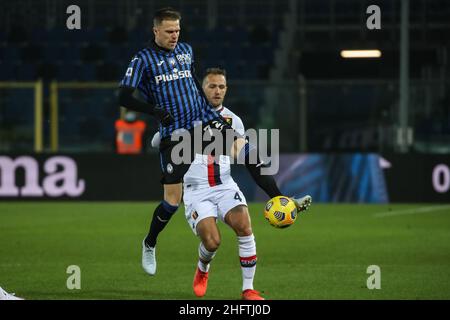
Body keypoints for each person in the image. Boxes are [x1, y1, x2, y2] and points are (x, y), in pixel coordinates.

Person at [118, 8, 310, 277]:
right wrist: (154, 112)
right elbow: (123, 97)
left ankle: (282, 199)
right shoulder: (142, 59)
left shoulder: (185, 50)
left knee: (248, 152)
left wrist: (208, 113)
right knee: (171, 202)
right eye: (169, 31)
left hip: (204, 120)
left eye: (177, 31)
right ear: (156, 31)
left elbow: (193, 83)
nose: (175, 36)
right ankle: (149, 243)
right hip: (177, 135)